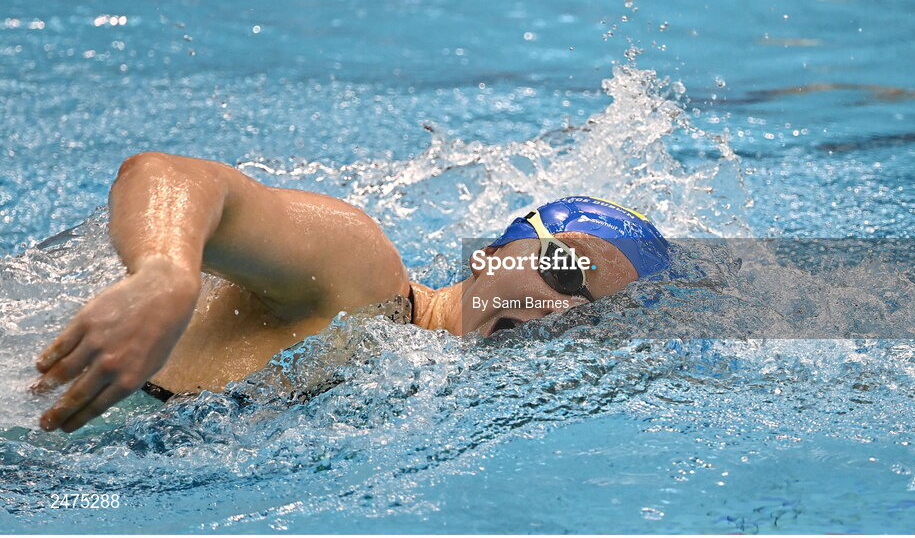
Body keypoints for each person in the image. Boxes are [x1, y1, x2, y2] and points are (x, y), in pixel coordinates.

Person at [29, 152, 672, 433]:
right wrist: (164, 274)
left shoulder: (411, 377)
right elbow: (167, 174)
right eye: (561, 268)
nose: (556, 309)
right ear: (492, 255)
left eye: (589, 312)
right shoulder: (359, 272)